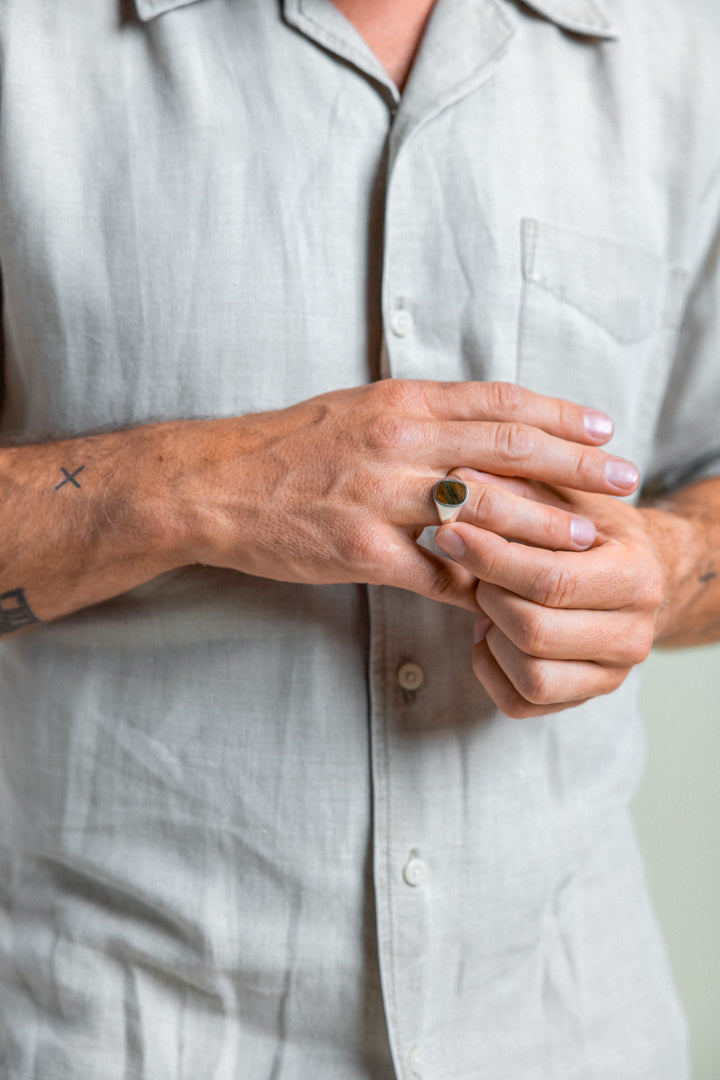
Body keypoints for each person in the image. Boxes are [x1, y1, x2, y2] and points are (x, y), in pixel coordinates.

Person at [1, 0, 719, 1077]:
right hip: (107, 1026)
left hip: (573, 1026)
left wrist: (659, 573)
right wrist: (198, 485)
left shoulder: (687, 53)